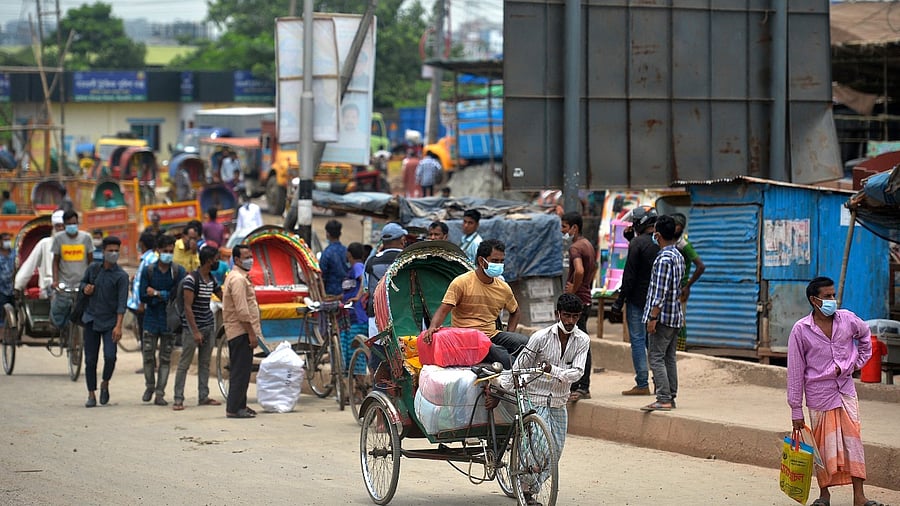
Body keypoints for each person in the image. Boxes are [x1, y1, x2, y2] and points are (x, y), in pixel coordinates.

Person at [787, 276, 883, 506]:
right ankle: (824, 495)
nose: (833, 300)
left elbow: (865, 337)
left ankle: (859, 497)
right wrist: (795, 410)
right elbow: (795, 371)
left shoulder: (848, 319)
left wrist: (857, 362)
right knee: (822, 447)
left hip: (845, 391)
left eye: (833, 295)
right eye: (827, 296)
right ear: (814, 300)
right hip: (818, 395)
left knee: (854, 442)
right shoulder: (801, 330)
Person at [499, 293, 589, 503]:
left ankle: (529, 483)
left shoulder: (583, 340)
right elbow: (520, 365)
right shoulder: (540, 337)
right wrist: (501, 387)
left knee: (554, 451)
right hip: (535, 399)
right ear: (557, 313)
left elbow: (577, 373)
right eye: (566, 315)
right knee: (538, 446)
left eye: (574, 317)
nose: (569, 321)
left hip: (559, 401)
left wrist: (553, 370)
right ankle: (528, 490)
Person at [422, 239, 530, 369]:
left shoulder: (503, 288)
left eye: (502, 261)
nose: (499, 265)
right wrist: (432, 327)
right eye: (495, 261)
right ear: (481, 261)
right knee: (503, 357)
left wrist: (510, 333)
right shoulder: (461, 282)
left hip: (492, 334)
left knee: (525, 343)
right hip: (468, 338)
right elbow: (444, 309)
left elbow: (515, 312)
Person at [610, 206, 659, 396]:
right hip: (656, 302)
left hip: (637, 300)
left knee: (638, 341)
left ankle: (642, 383)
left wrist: (618, 302)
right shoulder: (660, 242)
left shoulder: (637, 244)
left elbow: (629, 277)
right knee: (653, 343)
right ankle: (659, 382)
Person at [640, 215, 685, 412]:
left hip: (662, 318)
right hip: (675, 316)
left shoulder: (663, 259)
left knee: (656, 357)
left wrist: (653, 317)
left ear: (657, 235)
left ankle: (664, 397)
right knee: (669, 357)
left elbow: (660, 292)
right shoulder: (678, 256)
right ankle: (670, 395)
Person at [80, 236, 129, 408]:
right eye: (111, 250)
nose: (114, 254)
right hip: (91, 319)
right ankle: (91, 393)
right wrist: (86, 289)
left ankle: (105, 382)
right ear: (103, 251)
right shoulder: (93, 269)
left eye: (116, 251)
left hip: (110, 323)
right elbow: (82, 284)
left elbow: (122, 303)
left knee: (110, 356)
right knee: (90, 359)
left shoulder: (121, 276)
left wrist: (118, 325)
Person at [173, 246, 223, 411]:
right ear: (209, 260)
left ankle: (203, 396)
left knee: (205, 363)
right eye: (216, 259)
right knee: (184, 364)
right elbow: (188, 307)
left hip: (208, 324)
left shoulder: (211, 279)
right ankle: (178, 399)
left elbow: (222, 296)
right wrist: (195, 331)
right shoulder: (191, 280)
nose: (218, 262)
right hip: (192, 328)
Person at [138, 234, 185, 406]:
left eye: (171, 251)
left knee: (165, 359)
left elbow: (177, 294)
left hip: (170, 321)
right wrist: (162, 295)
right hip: (151, 319)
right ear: (158, 251)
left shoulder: (178, 271)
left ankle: (160, 393)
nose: (168, 254)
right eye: (165, 251)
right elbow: (142, 294)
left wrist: (157, 293)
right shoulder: (148, 270)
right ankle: (150, 385)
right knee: (148, 356)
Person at [560, 211, 597, 403]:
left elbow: (580, 270)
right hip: (586, 298)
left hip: (578, 301)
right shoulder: (588, 244)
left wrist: (572, 291)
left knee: (578, 344)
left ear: (574, 228)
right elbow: (594, 267)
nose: (562, 230)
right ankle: (579, 384)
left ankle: (582, 386)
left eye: (565, 226)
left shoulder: (575, 248)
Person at [222, 244, 262, 418]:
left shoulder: (239, 276)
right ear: (237, 259)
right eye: (246, 257)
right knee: (240, 370)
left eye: (250, 256)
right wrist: (251, 333)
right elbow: (242, 310)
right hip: (240, 331)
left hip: (241, 330)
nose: (250, 259)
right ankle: (234, 408)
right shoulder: (237, 279)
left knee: (243, 370)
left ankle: (241, 405)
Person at [364, 223, 407, 372]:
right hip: (405, 319)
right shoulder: (408, 260)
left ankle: (378, 390)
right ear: (402, 240)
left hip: (376, 320)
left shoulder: (371, 261)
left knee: (379, 360)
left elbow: (366, 289)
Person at [50, 210, 94, 329]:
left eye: (74, 223)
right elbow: (56, 261)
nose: (72, 226)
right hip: (65, 282)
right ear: (64, 225)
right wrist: (55, 280)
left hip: (82, 282)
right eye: (69, 224)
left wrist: (91, 280)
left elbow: (91, 262)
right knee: (60, 309)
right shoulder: (59, 239)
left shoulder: (86, 238)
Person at [671, 213, 705, 351]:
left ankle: (680, 349)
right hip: (673, 287)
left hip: (680, 288)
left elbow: (701, 266)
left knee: (680, 321)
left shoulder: (683, 245)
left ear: (678, 227)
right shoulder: (672, 243)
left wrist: (688, 285)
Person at [15, 210, 65, 297]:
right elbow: (29, 265)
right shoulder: (44, 244)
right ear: (54, 227)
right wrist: (18, 286)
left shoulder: (74, 244)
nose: (61, 229)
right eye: (58, 226)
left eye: (63, 226)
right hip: (49, 288)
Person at [341, 242, 369, 378]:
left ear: (349, 254)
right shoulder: (351, 270)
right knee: (352, 353)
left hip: (359, 318)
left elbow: (363, 279)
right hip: (352, 318)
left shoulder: (357, 266)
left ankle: (358, 390)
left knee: (356, 355)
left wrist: (358, 296)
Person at [126, 232, 158, 346]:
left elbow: (149, 282)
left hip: (144, 304)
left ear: (142, 244)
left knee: (146, 335)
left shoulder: (150, 259)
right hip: (140, 302)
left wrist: (142, 303)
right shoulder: (146, 259)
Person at [320, 219, 348, 297]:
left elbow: (322, 274)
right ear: (340, 233)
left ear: (327, 234)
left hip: (331, 293)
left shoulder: (327, 253)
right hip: (347, 292)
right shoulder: (347, 251)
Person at [0, 233, 14, 323]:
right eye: (5, 240)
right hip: (1, 289)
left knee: (13, 313)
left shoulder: (15, 253)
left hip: (13, 288)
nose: (7, 242)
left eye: (9, 240)